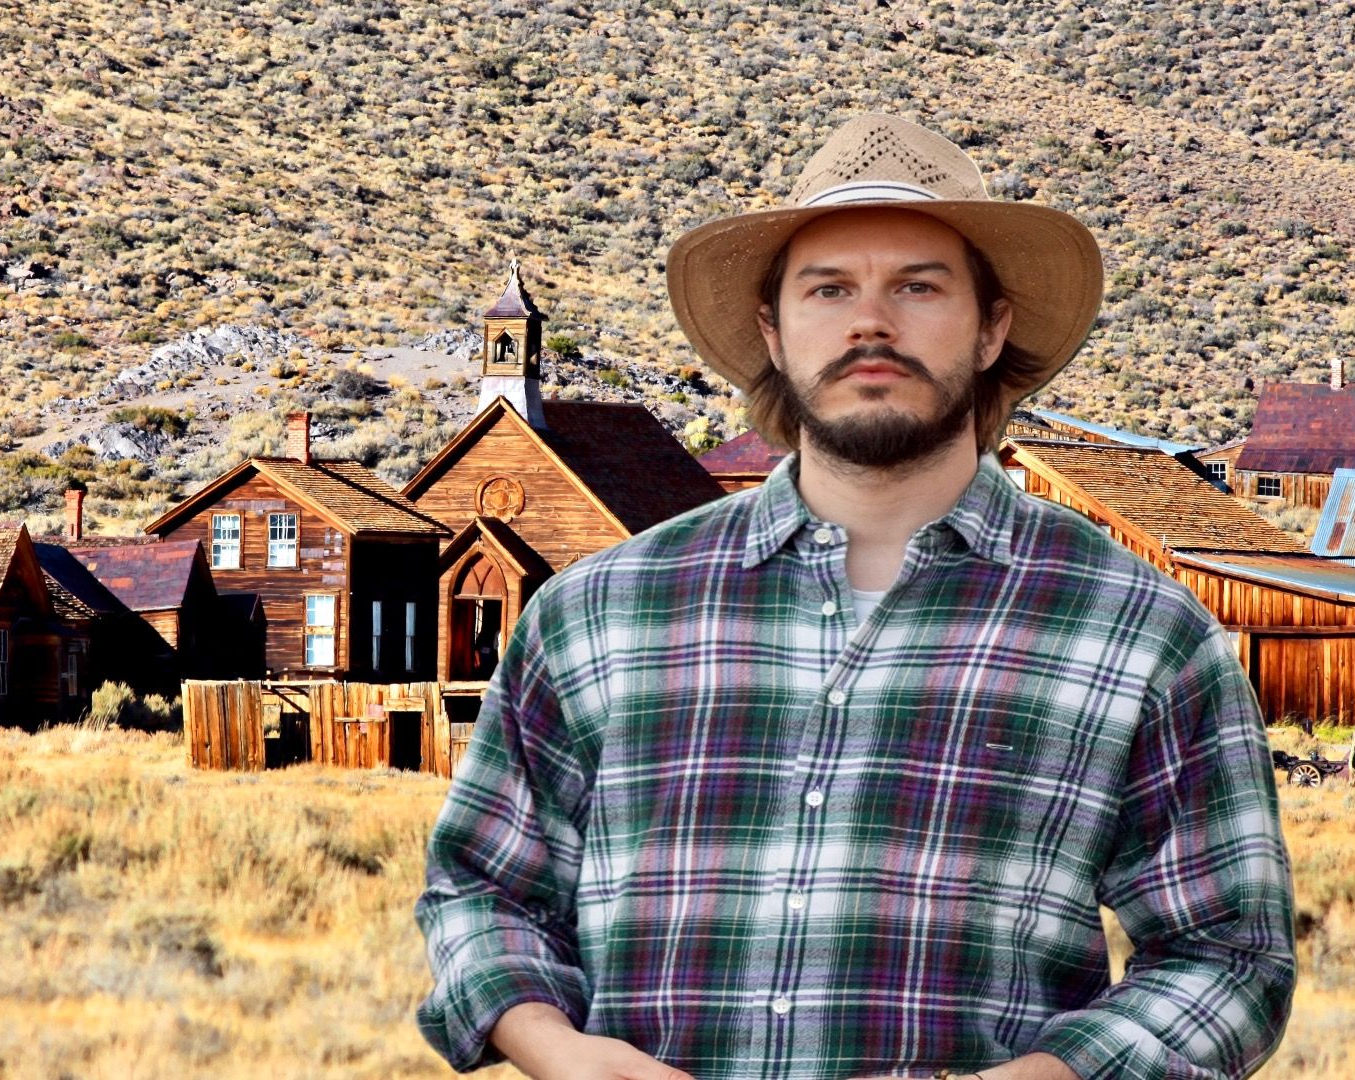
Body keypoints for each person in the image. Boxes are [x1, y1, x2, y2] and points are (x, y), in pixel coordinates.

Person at [417, 114, 1295, 1080]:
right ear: (773, 330)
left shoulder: (1141, 634)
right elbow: (482, 889)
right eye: (828, 289)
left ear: (993, 325)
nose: (869, 322)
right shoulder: (598, 615)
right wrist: (565, 1055)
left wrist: (1055, 1077)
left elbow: (1229, 956)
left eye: (917, 287)